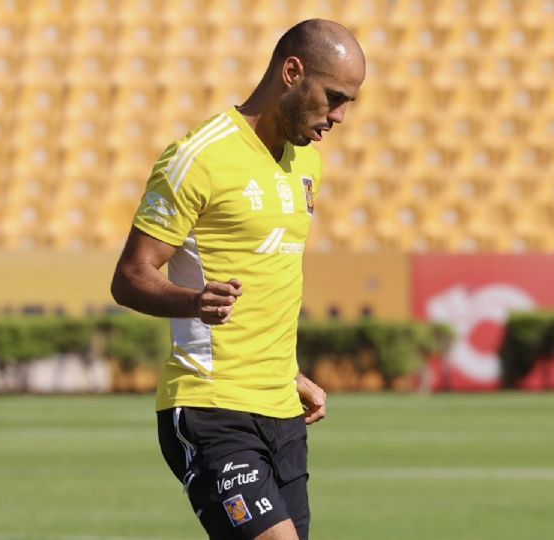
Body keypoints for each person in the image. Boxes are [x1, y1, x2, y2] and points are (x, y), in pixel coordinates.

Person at [110, 19, 366, 540]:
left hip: (281, 412)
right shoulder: (199, 157)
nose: (338, 116)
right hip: (210, 406)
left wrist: (287, 375)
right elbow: (130, 276)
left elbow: (266, 278)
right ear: (292, 72)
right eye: (333, 97)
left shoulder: (307, 163)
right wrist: (193, 302)